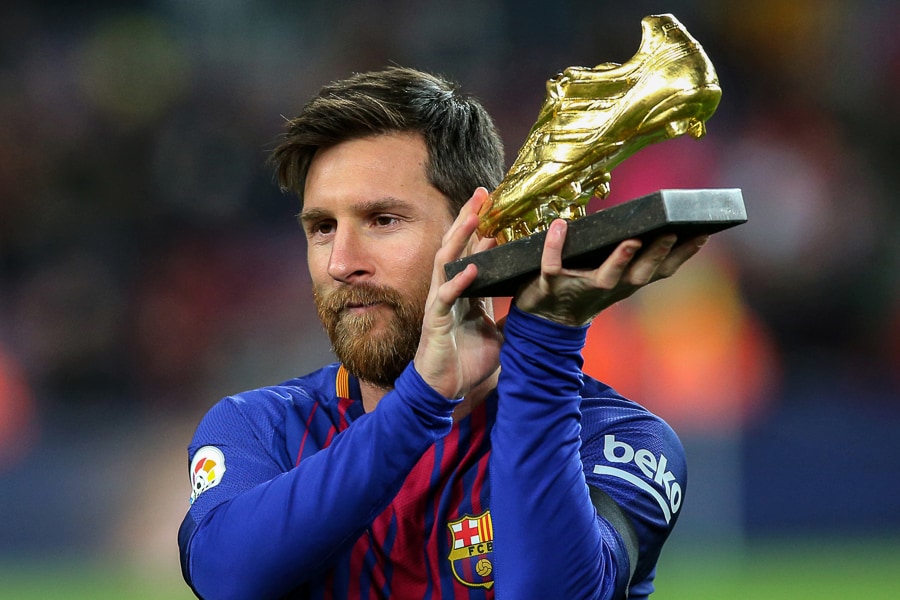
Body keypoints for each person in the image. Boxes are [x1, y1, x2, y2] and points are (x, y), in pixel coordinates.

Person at [177, 66, 706, 599]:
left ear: (481, 235)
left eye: (383, 219)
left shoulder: (617, 440)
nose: (341, 263)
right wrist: (420, 401)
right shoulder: (261, 428)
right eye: (322, 228)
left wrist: (545, 346)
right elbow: (225, 577)